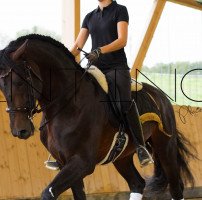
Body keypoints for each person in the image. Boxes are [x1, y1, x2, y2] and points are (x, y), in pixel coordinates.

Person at [45, 0, 153, 170]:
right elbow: (77, 46)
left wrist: (99, 50)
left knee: (124, 102)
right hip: (96, 67)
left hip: (116, 67)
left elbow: (122, 40)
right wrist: (59, 60)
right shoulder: (90, 17)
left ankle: (141, 147)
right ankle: (60, 149)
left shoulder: (120, 10)